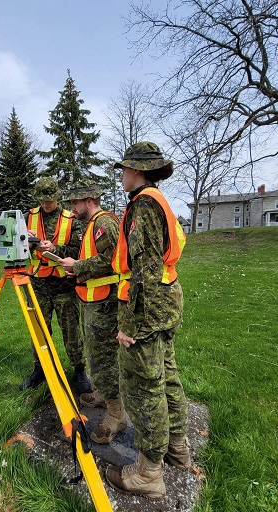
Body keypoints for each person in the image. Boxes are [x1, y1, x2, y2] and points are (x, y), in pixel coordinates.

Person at [105, 142, 191, 500]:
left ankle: (148, 472)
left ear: (138, 171)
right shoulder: (159, 202)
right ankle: (178, 448)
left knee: (145, 387)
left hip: (149, 311)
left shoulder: (143, 207)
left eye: (124, 169)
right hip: (167, 303)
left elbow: (145, 272)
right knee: (167, 375)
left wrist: (131, 325)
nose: (122, 175)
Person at [57, 182, 126, 444]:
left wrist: (78, 265)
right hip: (93, 300)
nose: (72, 208)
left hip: (104, 304)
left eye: (75, 202)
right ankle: (102, 394)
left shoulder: (102, 223)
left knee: (103, 360)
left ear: (89, 200)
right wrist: (76, 268)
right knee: (96, 356)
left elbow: (112, 260)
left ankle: (116, 415)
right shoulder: (93, 224)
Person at [19, 177, 91, 395]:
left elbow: (79, 253)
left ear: (57, 196)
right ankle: (40, 369)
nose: (45, 205)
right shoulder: (27, 217)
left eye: (49, 201)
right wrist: (25, 240)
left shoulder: (71, 219)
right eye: (42, 201)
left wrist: (55, 248)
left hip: (63, 285)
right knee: (39, 330)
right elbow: (16, 249)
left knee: (71, 330)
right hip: (37, 285)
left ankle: (79, 370)